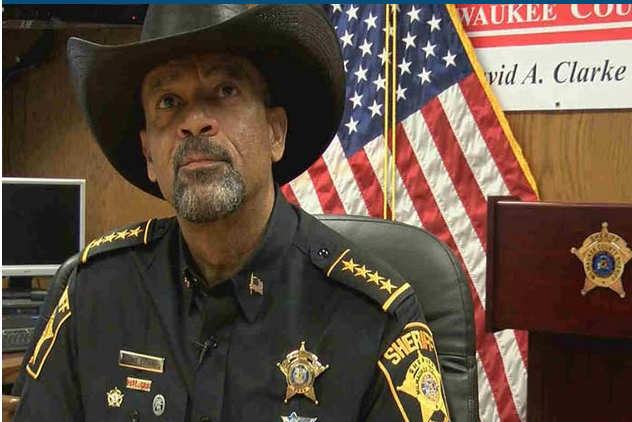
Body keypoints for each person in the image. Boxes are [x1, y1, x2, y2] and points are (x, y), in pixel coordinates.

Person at [14, 5, 451, 422]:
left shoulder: (374, 319)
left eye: (226, 91)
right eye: (168, 101)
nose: (194, 121)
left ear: (275, 133)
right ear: (148, 154)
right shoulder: (93, 293)